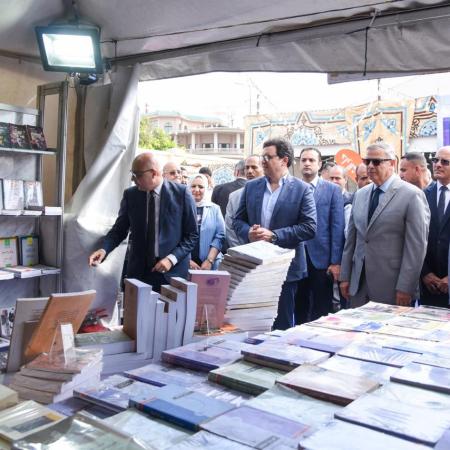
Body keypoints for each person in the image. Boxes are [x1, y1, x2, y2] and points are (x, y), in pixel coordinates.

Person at [234, 138, 317, 330]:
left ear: (284, 160)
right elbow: (237, 221)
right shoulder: (251, 187)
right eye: (262, 157)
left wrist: (274, 236)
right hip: (255, 266)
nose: (262, 161)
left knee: (281, 325)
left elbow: (310, 227)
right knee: (253, 325)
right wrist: (249, 233)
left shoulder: (302, 189)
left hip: (285, 268)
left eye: (268, 157)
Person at [88, 152, 198, 292]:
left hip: (171, 273)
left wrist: (171, 259)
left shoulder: (181, 194)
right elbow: (119, 230)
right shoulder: (131, 195)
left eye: (137, 175)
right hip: (139, 273)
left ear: (153, 173)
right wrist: (104, 249)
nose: (133, 179)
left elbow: (192, 235)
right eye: (132, 174)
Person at [340, 143, 430, 307]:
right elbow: (351, 241)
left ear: (392, 163)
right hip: (359, 285)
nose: (370, 166)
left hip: (392, 286)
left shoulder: (411, 195)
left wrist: (406, 287)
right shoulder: (360, 194)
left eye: (376, 162)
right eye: (367, 161)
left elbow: (416, 248)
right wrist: (345, 276)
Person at [295, 148, 344, 324]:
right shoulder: (292, 188)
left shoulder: (332, 190)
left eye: (311, 160)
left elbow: (337, 227)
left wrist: (335, 261)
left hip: (322, 259)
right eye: (303, 160)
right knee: (299, 306)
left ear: (320, 164)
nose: (307, 163)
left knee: (321, 308)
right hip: (297, 257)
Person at [421, 146, 450, 307]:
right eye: (435, 160)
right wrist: (425, 273)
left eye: (445, 162)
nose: (438, 164)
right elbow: (414, 239)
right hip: (429, 286)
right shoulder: (422, 195)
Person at [225, 155, 264, 248]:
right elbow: (230, 227)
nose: (249, 171)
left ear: (263, 169)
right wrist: (241, 251)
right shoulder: (234, 196)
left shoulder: (271, 193)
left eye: (254, 167)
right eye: (247, 168)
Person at [189, 174, 226, 270]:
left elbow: (220, 236)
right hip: (186, 263)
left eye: (201, 187)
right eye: (193, 186)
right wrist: (187, 261)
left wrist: (209, 260)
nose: (196, 190)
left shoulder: (215, 209)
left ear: (206, 188)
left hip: (211, 264)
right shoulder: (182, 208)